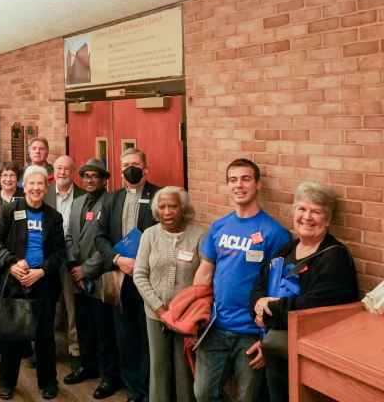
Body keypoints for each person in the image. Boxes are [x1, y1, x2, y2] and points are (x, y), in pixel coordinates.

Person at [192, 159, 290, 402]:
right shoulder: (219, 227)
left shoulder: (275, 233)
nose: (239, 185)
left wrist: (268, 340)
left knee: (248, 398)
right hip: (215, 327)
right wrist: (195, 315)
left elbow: (280, 289)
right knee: (203, 393)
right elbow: (205, 272)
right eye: (233, 180)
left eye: (246, 179)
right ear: (227, 185)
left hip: (251, 332)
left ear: (257, 185)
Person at [250, 181, 359, 402]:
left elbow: (317, 306)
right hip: (277, 349)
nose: (307, 217)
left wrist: (269, 309)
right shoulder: (287, 249)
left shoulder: (334, 257)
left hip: (310, 358)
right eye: (302, 209)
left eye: (316, 212)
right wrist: (259, 304)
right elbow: (259, 284)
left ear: (327, 220)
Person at [0, 165, 65, 400]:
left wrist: (42, 271)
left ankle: (48, 382)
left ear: (46, 187)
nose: (35, 188)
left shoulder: (54, 216)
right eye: (31, 183)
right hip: (15, 282)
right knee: (12, 335)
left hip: (43, 283)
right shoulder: (12, 210)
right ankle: (7, 383)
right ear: (24, 186)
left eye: (40, 184)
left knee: (44, 336)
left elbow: (60, 252)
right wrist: (11, 264)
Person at [95, 147, 160, 402]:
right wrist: (118, 259)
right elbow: (99, 237)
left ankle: (150, 388)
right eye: (124, 165)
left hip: (149, 278)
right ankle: (134, 390)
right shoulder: (111, 199)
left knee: (147, 337)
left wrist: (141, 264)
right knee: (125, 336)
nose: (129, 169)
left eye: (134, 164)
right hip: (120, 277)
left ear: (145, 168)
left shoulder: (158, 196)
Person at [133, 186, 205, 402]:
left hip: (187, 318)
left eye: (173, 206)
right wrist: (161, 309)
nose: (167, 211)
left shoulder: (199, 235)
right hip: (156, 315)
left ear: (182, 208)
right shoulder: (149, 235)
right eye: (162, 207)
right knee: (159, 367)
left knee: (185, 370)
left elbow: (205, 279)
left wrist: (188, 312)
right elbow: (139, 275)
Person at [63, 158, 121, 400]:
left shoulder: (112, 203)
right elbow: (68, 236)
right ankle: (88, 366)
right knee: (84, 326)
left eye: (95, 176)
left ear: (104, 180)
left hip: (101, 277)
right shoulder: (76, 203)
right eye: (86, 176)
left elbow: (110, 241)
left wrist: (88, 269)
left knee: (104, 330)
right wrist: (75, 266)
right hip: (78, 278)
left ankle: (109, 376)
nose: (89, 180)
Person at [44, 155, 84, 363]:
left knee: (72, 305)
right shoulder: (44, 192)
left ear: (73, 171)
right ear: (53, 169)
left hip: (71, 258)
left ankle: (75, 347)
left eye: (66, 169)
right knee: (47, 303)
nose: (62, 172)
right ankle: (44, 346)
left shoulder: (83, 196)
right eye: (59, 168)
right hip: (48, 257)